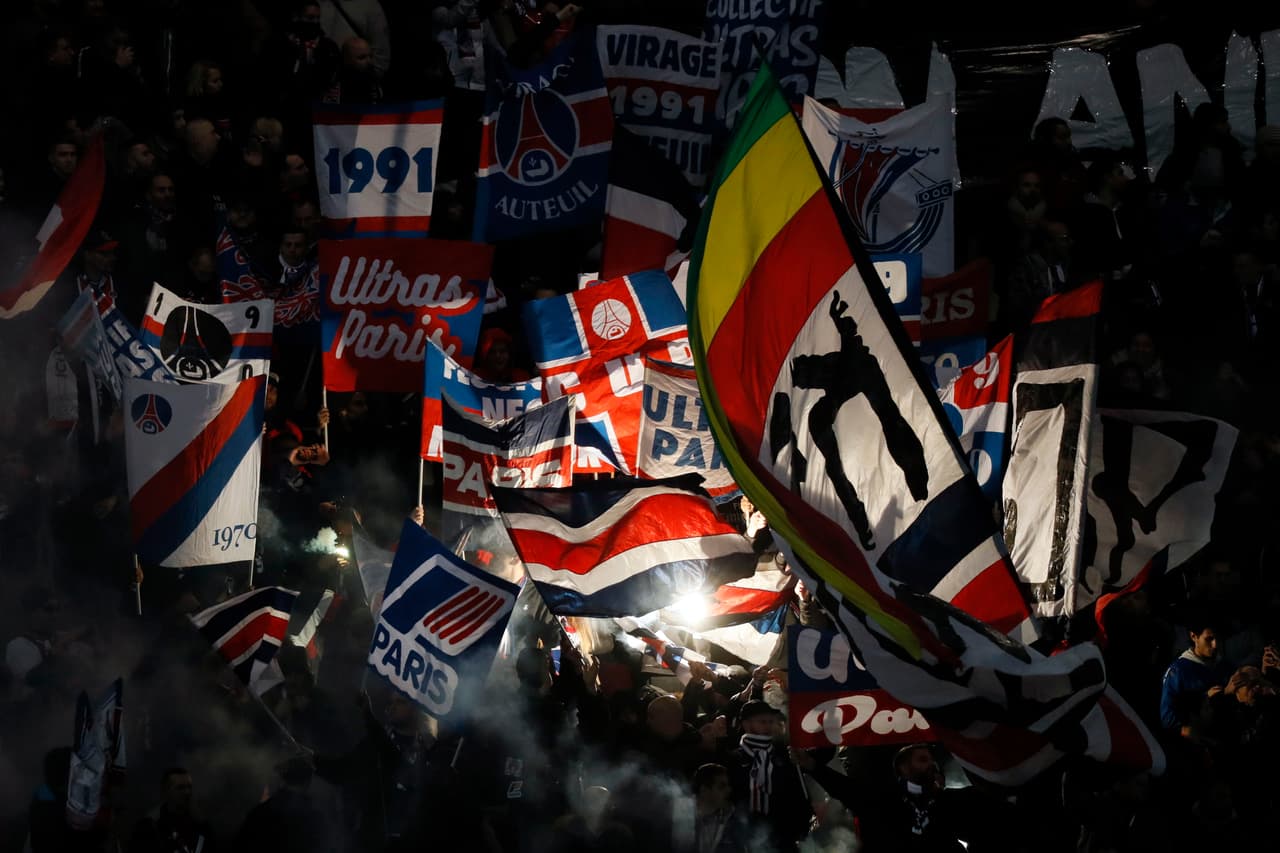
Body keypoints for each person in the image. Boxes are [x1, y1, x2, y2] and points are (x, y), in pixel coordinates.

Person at [725, 700, 812, 851]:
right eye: (762, 722)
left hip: (782, 839)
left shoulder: (785, 756)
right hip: (743, 839)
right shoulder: (732, 759)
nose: (768, 727)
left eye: (770, 722)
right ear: (746, 724)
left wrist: (799, 828)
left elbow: (798, 795)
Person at [1160, 614, 1229, 738]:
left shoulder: (1222, 664)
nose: (1215, 645)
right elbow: (1168, 719)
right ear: (1194, 636)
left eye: (1218, 638)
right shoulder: (1178, 671)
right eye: (1209, 639)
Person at [127, 766, 218, 853]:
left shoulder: (202, 830)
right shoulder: (147, 830)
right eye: (180, 788)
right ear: (166, 791)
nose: (187, 792)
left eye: (189, 787)